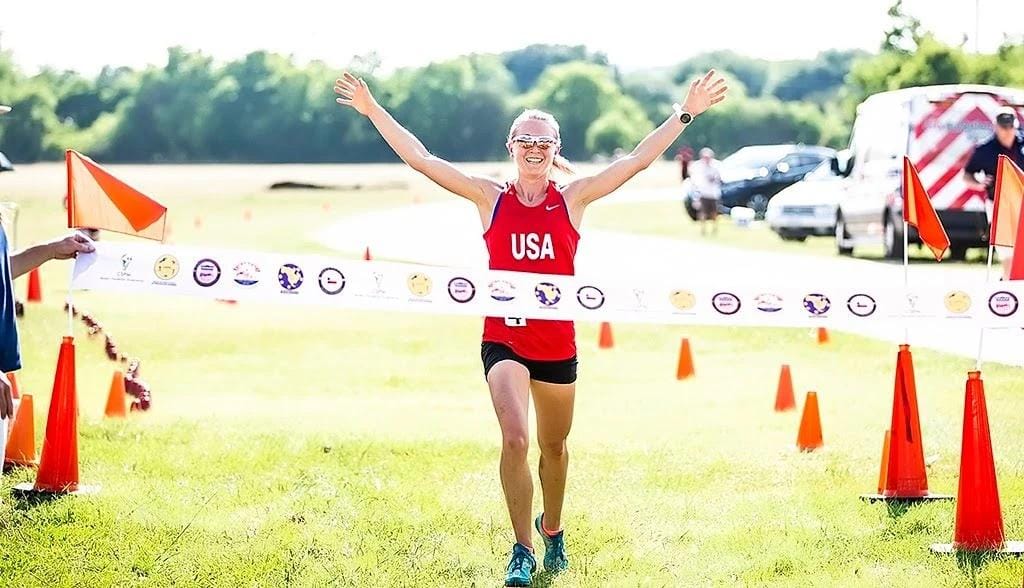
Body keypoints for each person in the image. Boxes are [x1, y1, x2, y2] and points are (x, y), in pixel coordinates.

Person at [334, 70, 727, 585]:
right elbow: (422, 159)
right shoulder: (488, 198)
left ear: (555, 149)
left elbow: (635, 160)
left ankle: (553, 528)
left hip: (556, 345)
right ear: (512, 147)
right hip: (504, 340)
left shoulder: (574, 199)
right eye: (527, 140)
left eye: (544, 141)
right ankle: (521, 549)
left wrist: (685, 110)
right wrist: (371, 108)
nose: (535, 148)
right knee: (515, 439)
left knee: (555, 448)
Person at [962, 106, 1024, 279]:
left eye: (1010, 126)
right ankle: (1008, 281)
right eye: (1003, 127)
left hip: (1022, 203)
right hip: (998, 203)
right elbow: (967, 175)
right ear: (995, 126)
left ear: (1016, 125)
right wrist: (979, 183)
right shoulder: (985, 150)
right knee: (1006, 247)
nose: (1007, 131)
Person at [688, 147, 723, 236]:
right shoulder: (698, 167)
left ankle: (715, 229)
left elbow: (720, 178)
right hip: (703, 193)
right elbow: (694, 181)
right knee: (702, 212)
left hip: (714, 193)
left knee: (714, 213)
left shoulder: (716, 165)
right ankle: (703, 229)